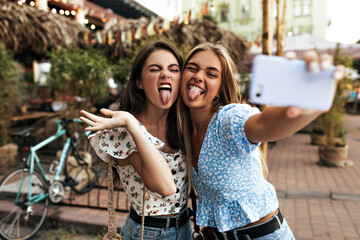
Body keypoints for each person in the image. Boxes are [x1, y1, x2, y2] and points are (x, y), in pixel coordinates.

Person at [177, 42, 345, 240]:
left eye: (211, 74)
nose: (198, 76)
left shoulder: (229, 119)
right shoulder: (183, 128)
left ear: (220, 89)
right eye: (192, 68)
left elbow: (264, 124)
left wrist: (305, 102)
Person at [80, 40, 192, 240]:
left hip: (185, 227)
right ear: (139, 82)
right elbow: (166, 187)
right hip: (148, 233)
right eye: (155, 69)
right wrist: (132, 124)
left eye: (174, 69)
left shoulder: (182, 124)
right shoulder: (122, 132)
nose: (165, 74)